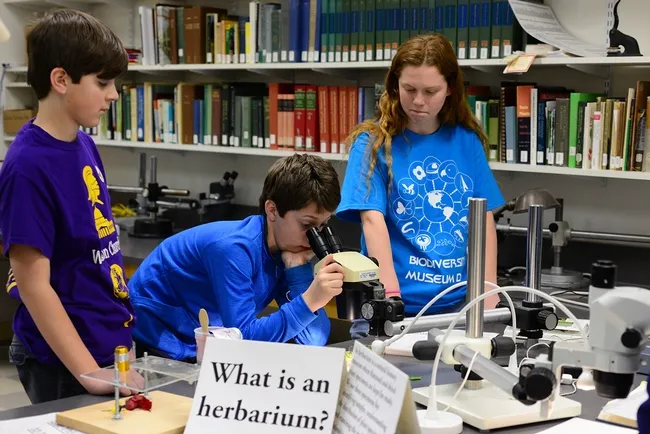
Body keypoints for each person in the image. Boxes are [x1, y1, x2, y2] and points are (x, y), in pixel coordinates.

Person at [0, 10, 142, 404]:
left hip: (108, 348)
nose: (113, 94)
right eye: (102, 82)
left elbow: (100, 253)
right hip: (63, 362)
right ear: (61, 80)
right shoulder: (28, 167)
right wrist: (89, 371)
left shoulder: (84, 143)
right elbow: (33, 286)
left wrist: (120, 346)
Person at [336, 34, 505, 318]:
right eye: (409, 89)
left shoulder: (466, 140)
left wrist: (488, 295)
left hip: (456, 307)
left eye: (430, 91)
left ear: (450, 89)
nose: (418, 101)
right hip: (396, 305)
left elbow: (483, 218)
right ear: (394, 85)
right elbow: (371, 220)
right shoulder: (372, 142)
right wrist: (389, 298)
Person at [129, 154, 344, 362]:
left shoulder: (287, 250)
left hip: (197, 340)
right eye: (307, 225)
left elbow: (314, 340)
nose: (313, 240)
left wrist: (299, 272)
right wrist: (309, 301)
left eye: (322, 226)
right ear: (272, 210)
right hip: (149, 338)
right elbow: (244, 339)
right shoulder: (233, 249)